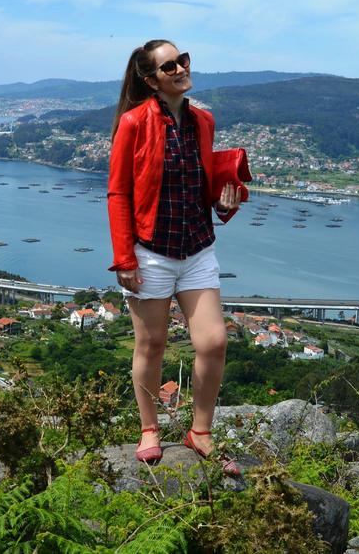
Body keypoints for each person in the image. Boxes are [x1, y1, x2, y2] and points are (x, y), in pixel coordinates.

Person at [107, 39, 243, 475]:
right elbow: (118, 193)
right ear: (151, 80)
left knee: (214, 341)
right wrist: (124, 258)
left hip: (197, 247)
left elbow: (202, 186)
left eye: (183, 60)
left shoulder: (204, 121)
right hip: (152, 252)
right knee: (151, 344)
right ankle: (149, 429)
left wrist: (223, 203)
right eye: (170, 66)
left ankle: (200, 431)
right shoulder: (133, 123)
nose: (181, 68)